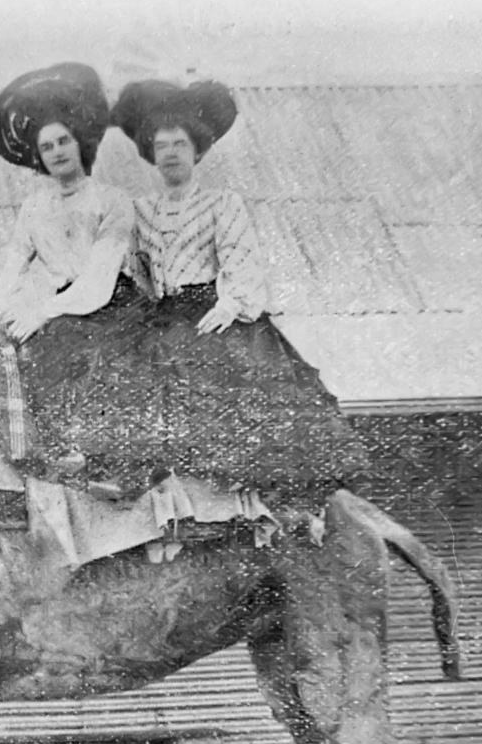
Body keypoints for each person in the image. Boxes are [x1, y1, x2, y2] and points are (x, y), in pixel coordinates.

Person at [28, 76, 366, 499]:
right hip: (160, 312)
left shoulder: (221, 204)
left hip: (210, 311)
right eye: (163, 146)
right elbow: (127, 269)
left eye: (180, 145)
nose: (171, 154)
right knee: (117, 369)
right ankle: (128, 479)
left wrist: (230, 306)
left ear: (197, 152)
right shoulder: (139, 211)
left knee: (215, 381)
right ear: (151, 154)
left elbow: (241, 260)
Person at [0, 62, 137, 468]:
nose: (57, 152)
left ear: (81, 143)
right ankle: (21, 450)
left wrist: (43, 312)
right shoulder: (35, 208)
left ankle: (68, 454)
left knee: (54, 349)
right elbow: (12, 269)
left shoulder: (112, 202)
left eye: (63, 141)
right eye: (47, 147)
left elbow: (97, 281)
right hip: (50, 302)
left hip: (103, 307)